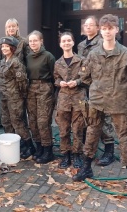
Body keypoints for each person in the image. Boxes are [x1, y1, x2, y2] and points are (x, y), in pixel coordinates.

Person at [71, 14, 127, 196]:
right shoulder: (94, 54)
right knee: (92, 133)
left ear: (116, 30)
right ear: (101, 30)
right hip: (97, 101)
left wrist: (119, 86)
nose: (107, 32)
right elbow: (85, 77)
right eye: (104, 28)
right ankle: (86, 167)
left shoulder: (126, 54)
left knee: (125, 137)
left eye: (110, 28)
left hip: (119, 102)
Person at [78, 16, 116, 167]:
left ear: (97, 27)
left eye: (91, 25)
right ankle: (90, 150)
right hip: (86, 86)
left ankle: (109, 152)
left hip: (101, 87)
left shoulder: (102, 42)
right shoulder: (81, 45)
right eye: (85, 25)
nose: (88, 27)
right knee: (90, 118)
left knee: (105, 119)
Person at [0, 36, 35, 159]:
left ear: (12, 48)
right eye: (2, 47)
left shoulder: (16, 62)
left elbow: (23, 82)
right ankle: (13, 144)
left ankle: (29, 146)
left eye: (6, 46)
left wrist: (21, 96)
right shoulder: (3, 61)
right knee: (6, 122)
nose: (4, 48)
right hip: (4, 97)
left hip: (14, 97)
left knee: (17, 122)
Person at [54, 32, 86, 169]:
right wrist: (60, 82)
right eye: (63, 41)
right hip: (63, 100)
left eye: (69, 40)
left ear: (73, 43)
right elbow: (55, 78)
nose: (66, 43)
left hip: (78, 98)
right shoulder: (57, 63)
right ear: (60, 44)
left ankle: (77, 155)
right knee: (63, 129)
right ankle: (66, 154)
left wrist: (77, 82)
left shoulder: (81, 60)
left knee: (78, 129)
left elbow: (87, 78)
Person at [26, 30, 56, 164]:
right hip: (31, 89)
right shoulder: (27, 57)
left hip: (45, 88)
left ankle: (47, 149)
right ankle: (39, 147)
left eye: (35, 40)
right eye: (31, 41)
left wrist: (51, 92)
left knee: (43, 121)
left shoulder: (48, 56)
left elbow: (54, 75)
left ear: (41, 41)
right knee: (32, 121)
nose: (33, 43)